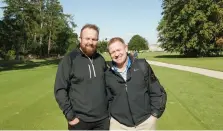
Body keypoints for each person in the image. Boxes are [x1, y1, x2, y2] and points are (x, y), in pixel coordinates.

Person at [54, 24, 109, 130]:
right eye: (87, 38)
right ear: (80, 39)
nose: (90, 42)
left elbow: (109, 86)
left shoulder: (100, 59)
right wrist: (71, 116)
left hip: (103, 121)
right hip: (80, 121)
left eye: (94, 39)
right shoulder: (69, 59)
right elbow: (60, 90)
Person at [105, 37, 166, 130]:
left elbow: (157, 91)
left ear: (126, 48)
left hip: (145, 123)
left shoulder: (142, 65)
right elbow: (107, 99)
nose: (117, 54)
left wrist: (154, 115)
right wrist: (111, 119)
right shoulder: (108, 73)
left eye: (118, 49)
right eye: (113, 52)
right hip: (119, 125)